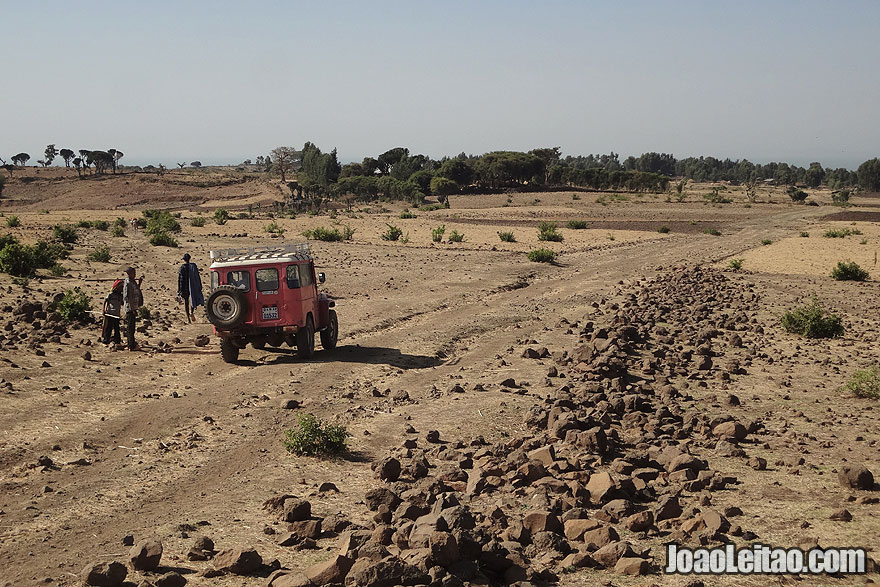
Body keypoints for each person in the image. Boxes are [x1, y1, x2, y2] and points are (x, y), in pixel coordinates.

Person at [177, 253, 204, 323]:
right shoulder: (193, 266)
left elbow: (180, 279)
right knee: (193, 300)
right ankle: (192, 312)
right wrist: (199, 286)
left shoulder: (182, 267)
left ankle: (188, 318)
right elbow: (197, 276)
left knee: (186, 302)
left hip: (185, 287)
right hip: (193, 286)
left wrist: (179, 290)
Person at [122, 266, 144, 351]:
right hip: (130, 308)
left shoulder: (132, 282)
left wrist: (139, 283)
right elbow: (127, 297)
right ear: (129, 273)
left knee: (131, 326)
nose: (135, 274)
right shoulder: (127, 283)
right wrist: (133, 309)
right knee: (130, 327)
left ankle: (131, 343)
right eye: (133, 273)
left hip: (133, 307)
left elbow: (136, 291)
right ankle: (131, 345)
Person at [101, 279, 124, 345]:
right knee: (108, 327)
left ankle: (117, 340)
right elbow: (106, 301)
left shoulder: (120, 296)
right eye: (120, 287)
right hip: (109, 313)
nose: (121, 289)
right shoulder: (111, 294)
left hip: (116, 314)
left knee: (117, 328)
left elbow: (122, 303)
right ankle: (106, 340)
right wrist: (104, 310)